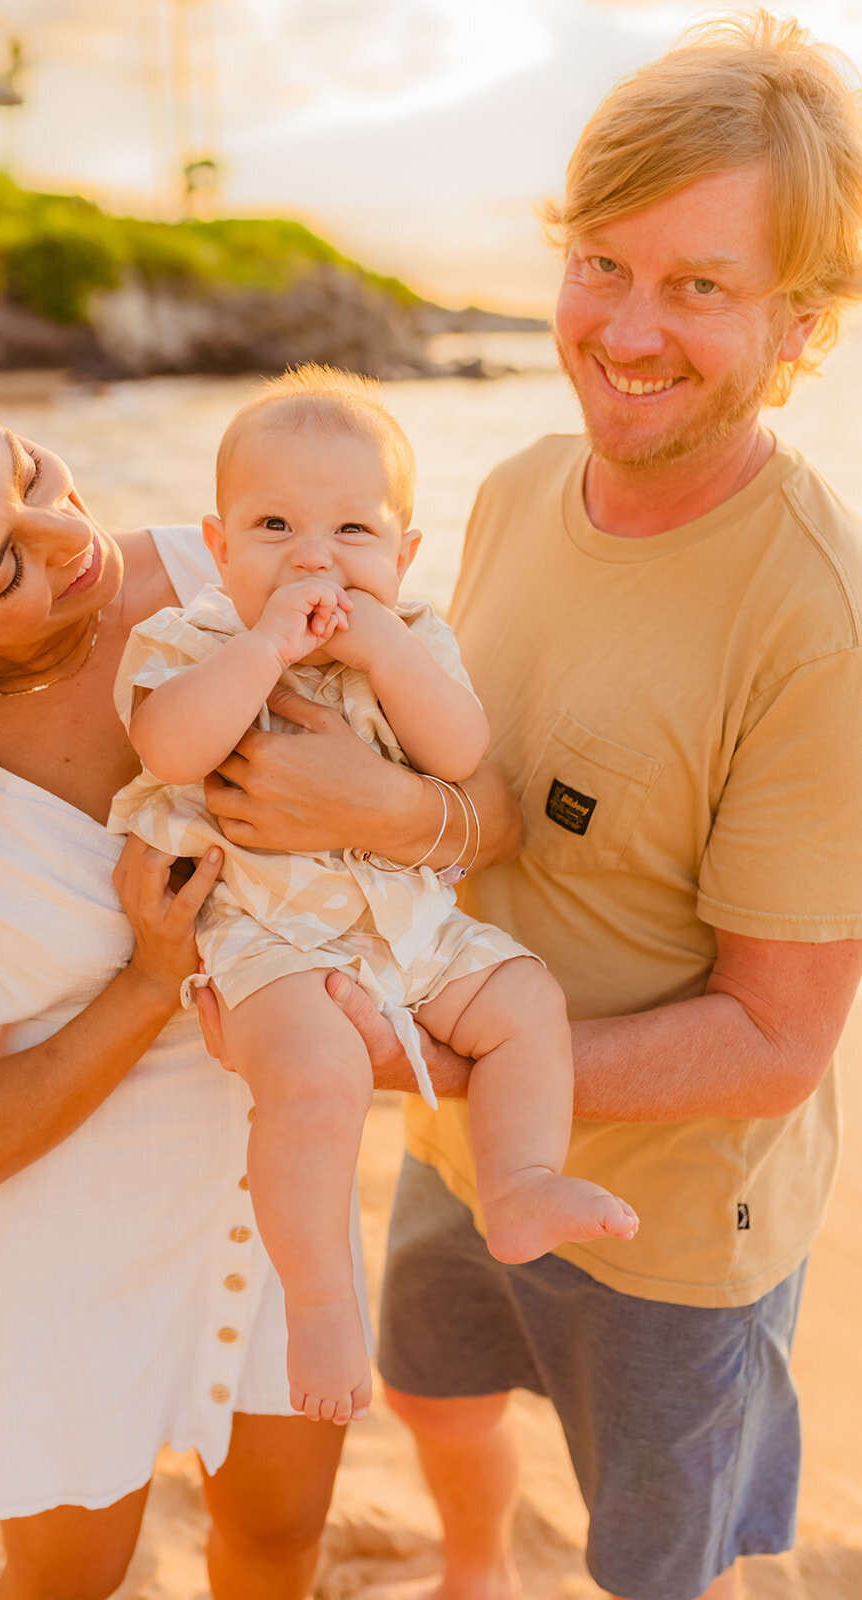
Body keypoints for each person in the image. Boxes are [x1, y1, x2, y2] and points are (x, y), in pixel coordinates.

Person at [0, 345, 519, 1600]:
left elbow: (484, 813)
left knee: (280, 1544)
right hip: (75, 1259)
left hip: (274, 1219)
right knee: (74, 1576)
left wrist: (392, 810)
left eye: (24, 469)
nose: (68, 536)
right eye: (5, 565)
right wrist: (148, 979)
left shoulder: (245, 562)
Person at [328, 13, 862, 1600]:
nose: (625, 330)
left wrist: (440, 1057)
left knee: (649, 1561)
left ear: (800, 324)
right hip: (447, 1142)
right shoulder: (504, 492)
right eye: (599, 266)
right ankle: (473, 1572)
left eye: (697, 286)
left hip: (669, 1229)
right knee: (431, 1392)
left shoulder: (811, 624)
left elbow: (774, 1043)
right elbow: (470, 797)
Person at [110, 368, 638, 1428]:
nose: (313, 555)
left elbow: (458, 752)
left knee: (525, 999)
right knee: (314, 1083)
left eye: (352, 530)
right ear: (217, 548)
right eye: (273, 525)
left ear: (403, 556)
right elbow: (167, 744)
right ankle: (317, 1302)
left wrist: (383, 644)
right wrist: (264, 648)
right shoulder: (193, 642)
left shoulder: (411, 642)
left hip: (404, 924)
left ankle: (521, 1178)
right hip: (266, 938)